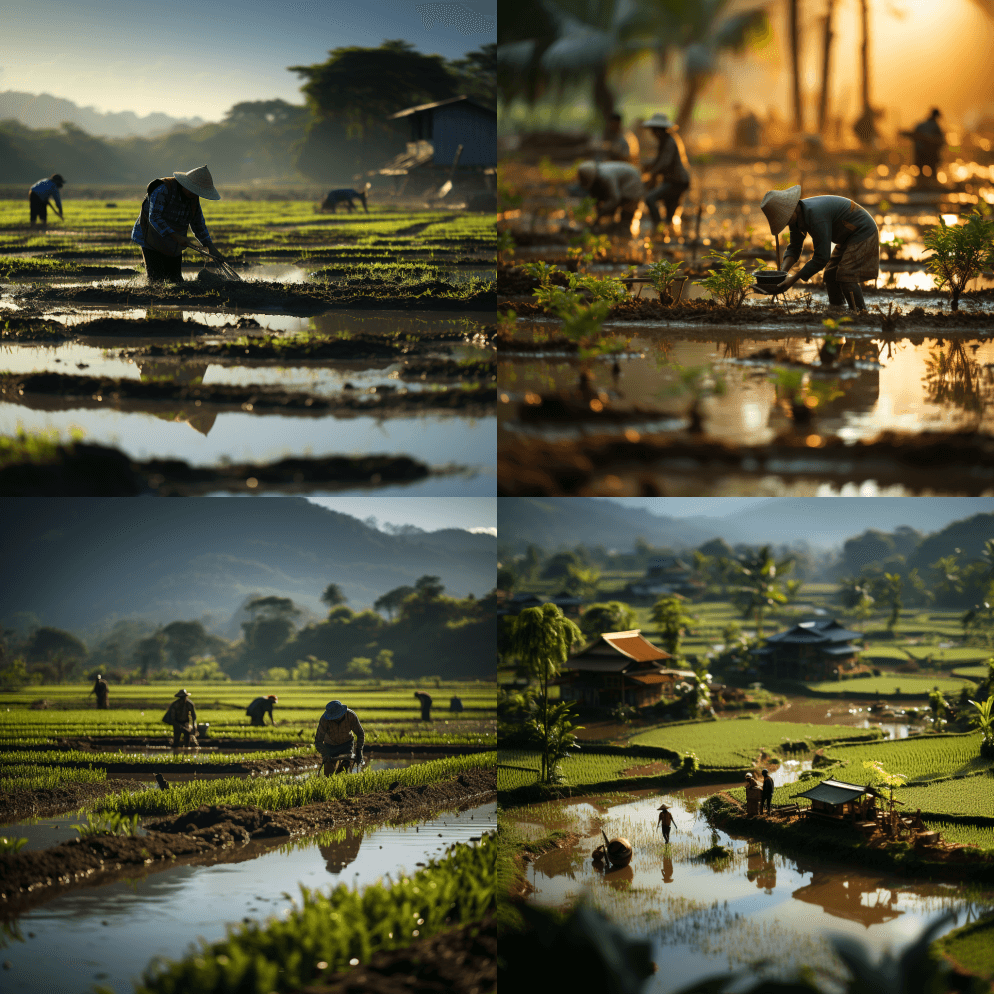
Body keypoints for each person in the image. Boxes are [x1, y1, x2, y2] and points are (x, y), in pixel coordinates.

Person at [757, 185, 879, 312]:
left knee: (846, 275)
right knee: (830, 274)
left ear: (791, 210)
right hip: (847, 237)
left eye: (786, 220)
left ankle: (860, 312)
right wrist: (782, 273)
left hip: (862, 231)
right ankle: (838, 308)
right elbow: (794, 247)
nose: (787, 224)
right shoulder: (796, 217)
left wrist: (793, 279)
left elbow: (822, 257)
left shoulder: (816, 216)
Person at [131, 165, 227, 284]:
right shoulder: (163, 189)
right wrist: (176, 236)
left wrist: (210, 247)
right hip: (151, 238)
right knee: (156, 280)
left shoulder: (193, 199)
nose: (196, 195)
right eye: (195, 190)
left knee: (176, 280)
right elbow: (155, 217)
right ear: (186, 185)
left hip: (173, 244)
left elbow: (198, 224)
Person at [641, 112, 690, 232]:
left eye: (654, 130)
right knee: (670, 215)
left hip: (676, 182)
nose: (652, 133)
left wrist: (652, 173)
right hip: (673, 181)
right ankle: (665, 235)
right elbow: (659, 161)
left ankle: (658, 227)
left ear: (660, 130)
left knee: (650, 198)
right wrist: (649, 165)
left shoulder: (669, 142)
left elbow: (664, 163)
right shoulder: (665, 141)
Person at [576, 160, 644, 233]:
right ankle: (613, 230)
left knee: (625, 219)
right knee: (612, 216)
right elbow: (597, 197)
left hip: (632, 186)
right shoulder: (598, 175)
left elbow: (615, 198)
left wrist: (601, 212)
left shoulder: (606, 176)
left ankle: (623, 235)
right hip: (622, 185)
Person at [314, 699, 365, 776]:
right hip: (330, 745)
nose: (336, 718)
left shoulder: (351, 716)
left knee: (345, 767)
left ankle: (340, 780)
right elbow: (318, 741)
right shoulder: (324, 720)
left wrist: (359, 750)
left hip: (347, 744)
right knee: (328, 772)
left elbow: (360, 733)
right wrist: (325, 754)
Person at [901, 109, 945, 182]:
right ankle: (931, 186)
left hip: (920, 153)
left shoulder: (920, 125)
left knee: (920, 174)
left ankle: (920, 185)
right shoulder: (936, 127)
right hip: (930, 154)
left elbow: (913, 136)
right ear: (936, 116)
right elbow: (940, 141)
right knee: (933, 174)